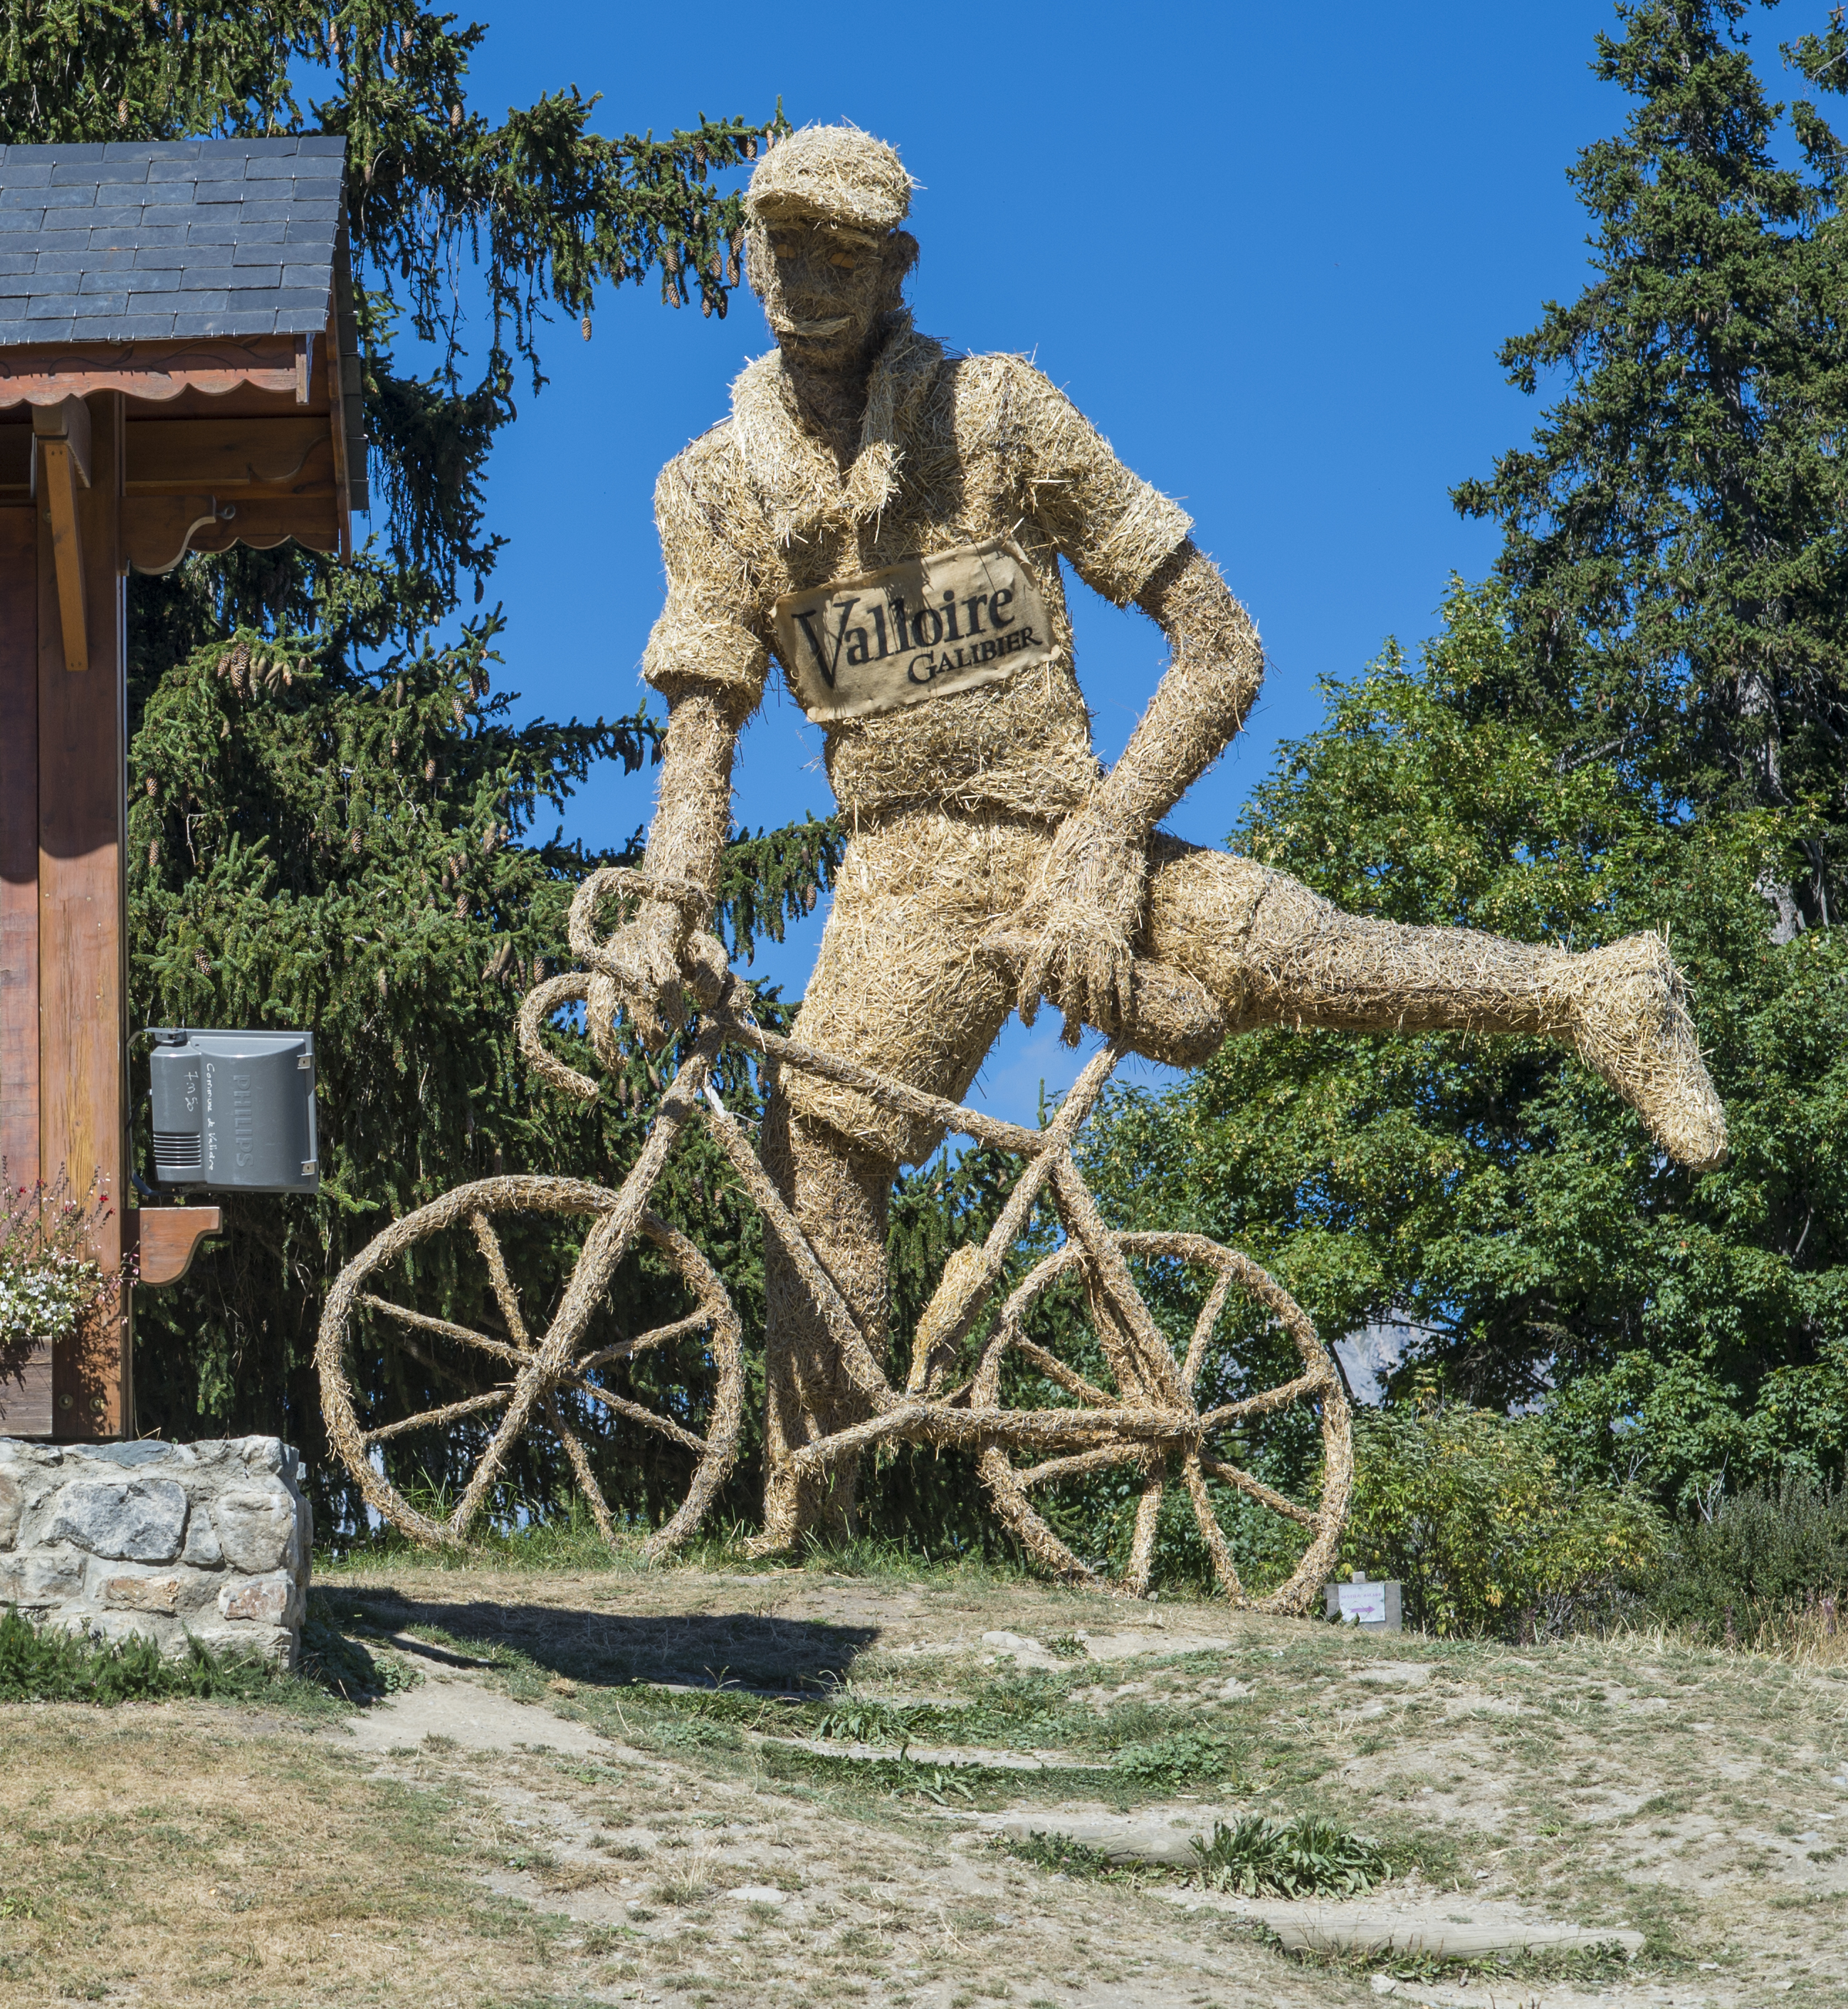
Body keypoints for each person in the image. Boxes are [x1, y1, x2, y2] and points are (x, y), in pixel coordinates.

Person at [607, 124, 1726, 1548]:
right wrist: (668, 903)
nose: (805, 276)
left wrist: (1106, 834)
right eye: (780, 245)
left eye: (841, 250)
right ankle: (810, 1523)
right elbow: (699, 728)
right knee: (818, 1142)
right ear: (740, 255)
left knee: (1287, 948)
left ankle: (1597, 991)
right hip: (902, 875)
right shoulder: (708, 488)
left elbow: (1220, 644)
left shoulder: (999, 412)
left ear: (895, 264)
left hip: (1071, 830)